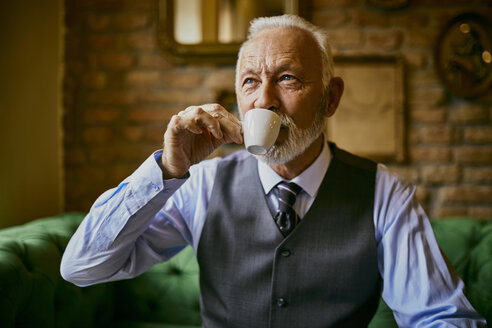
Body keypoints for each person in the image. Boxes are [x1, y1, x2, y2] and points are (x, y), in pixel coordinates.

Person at [61, 15, 486, 327]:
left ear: (331, 98)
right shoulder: (201, 186)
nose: (265, 101)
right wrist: (168, 168)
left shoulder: (384, 194)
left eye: (287, 78)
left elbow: (443, 317)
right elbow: (81, 268)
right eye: (249, 82)